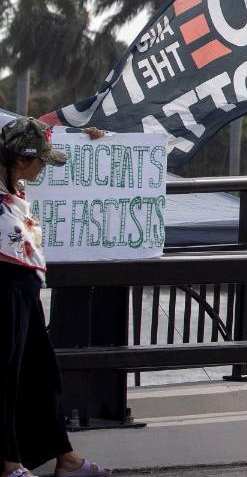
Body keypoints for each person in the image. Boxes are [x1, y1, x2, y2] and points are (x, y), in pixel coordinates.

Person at [1, 117, 112, 477]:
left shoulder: (13, 184)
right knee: (6, 375)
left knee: (41, 373)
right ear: (20, 160)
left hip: (24, 286)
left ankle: (64, 456)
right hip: (3, 287)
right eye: (40, 162)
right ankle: (9, 464)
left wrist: (83, 136)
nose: (42, 169)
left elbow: (27, 124)